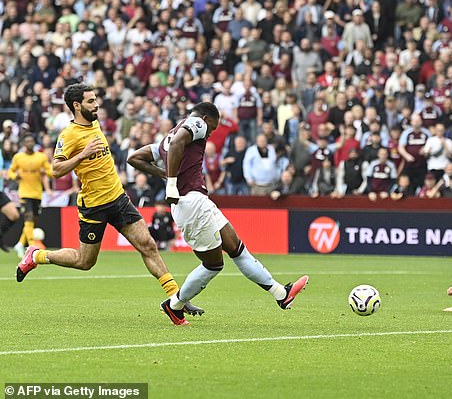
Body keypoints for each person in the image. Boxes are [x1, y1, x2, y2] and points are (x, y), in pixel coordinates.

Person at [16, 84, 203, 317]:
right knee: (85, 262)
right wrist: (83, 155)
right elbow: (56, 169)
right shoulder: (68, 135)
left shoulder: (94, 123)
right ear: (77, 106)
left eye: (96, 100)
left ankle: (176, 301)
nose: (96, 105)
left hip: (118, 198)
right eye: (91, 101)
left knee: (148, 245)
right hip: (94, 206)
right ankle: (36, 255)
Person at [127, 101, 309, 325]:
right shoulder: (197, 123)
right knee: (213, 265)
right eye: (214, 127)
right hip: (191, 203)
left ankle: (282, 294)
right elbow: (176, 144)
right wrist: (171, 183)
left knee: (237, 249)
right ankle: (174, 305)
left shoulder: (166, 139)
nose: (212, 132)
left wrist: (164, 174)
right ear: (206, 118)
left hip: (199, 201)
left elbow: (134, 158)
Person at [8, 134, 53, 258]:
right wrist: (14, 176)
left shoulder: (41, 157)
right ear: (23, 144)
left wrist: (45, 172)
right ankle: (32, 249)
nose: (29, 143)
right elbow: (10, 171)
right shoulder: (18, 157)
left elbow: (51, 172)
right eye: (27, 141)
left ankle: (20, 243)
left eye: (31, 141)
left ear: (34, 143)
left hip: (37, 194)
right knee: (28, 219)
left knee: (33, 222)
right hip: (24, 193)